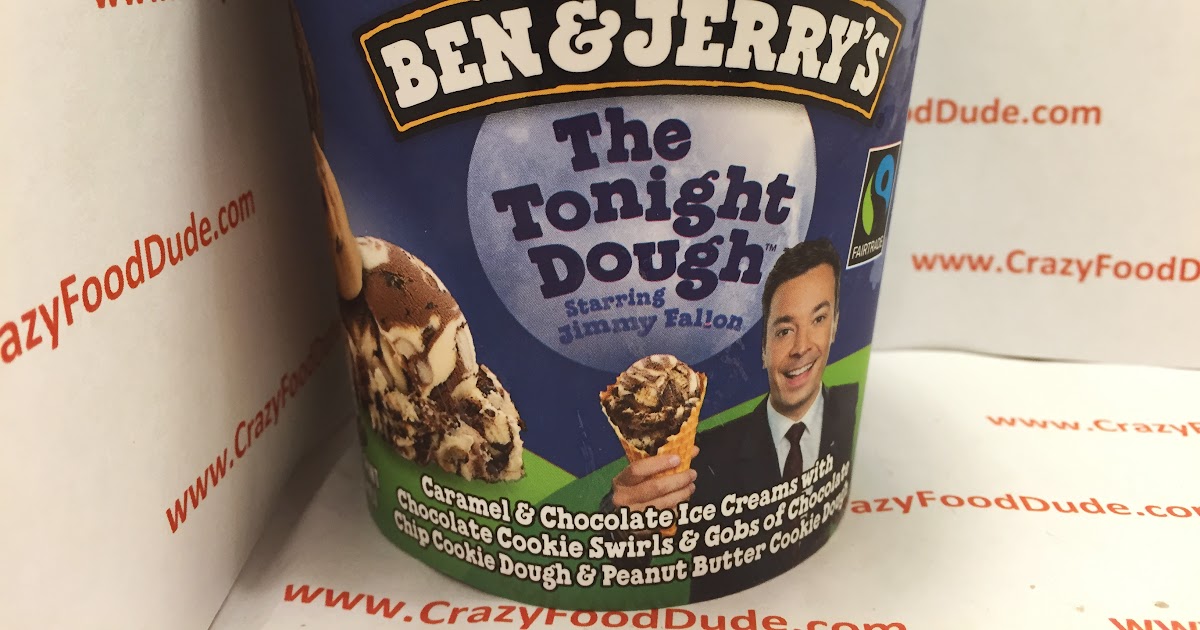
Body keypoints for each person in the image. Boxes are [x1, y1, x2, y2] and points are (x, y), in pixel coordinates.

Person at [607, 238, 859, 602]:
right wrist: (625, 522)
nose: (802, 347)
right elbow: (626, 564)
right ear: (764, 349)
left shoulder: (851, 410)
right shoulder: (706, 456)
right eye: (784, 330)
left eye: (818, 319)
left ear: (835, 326)